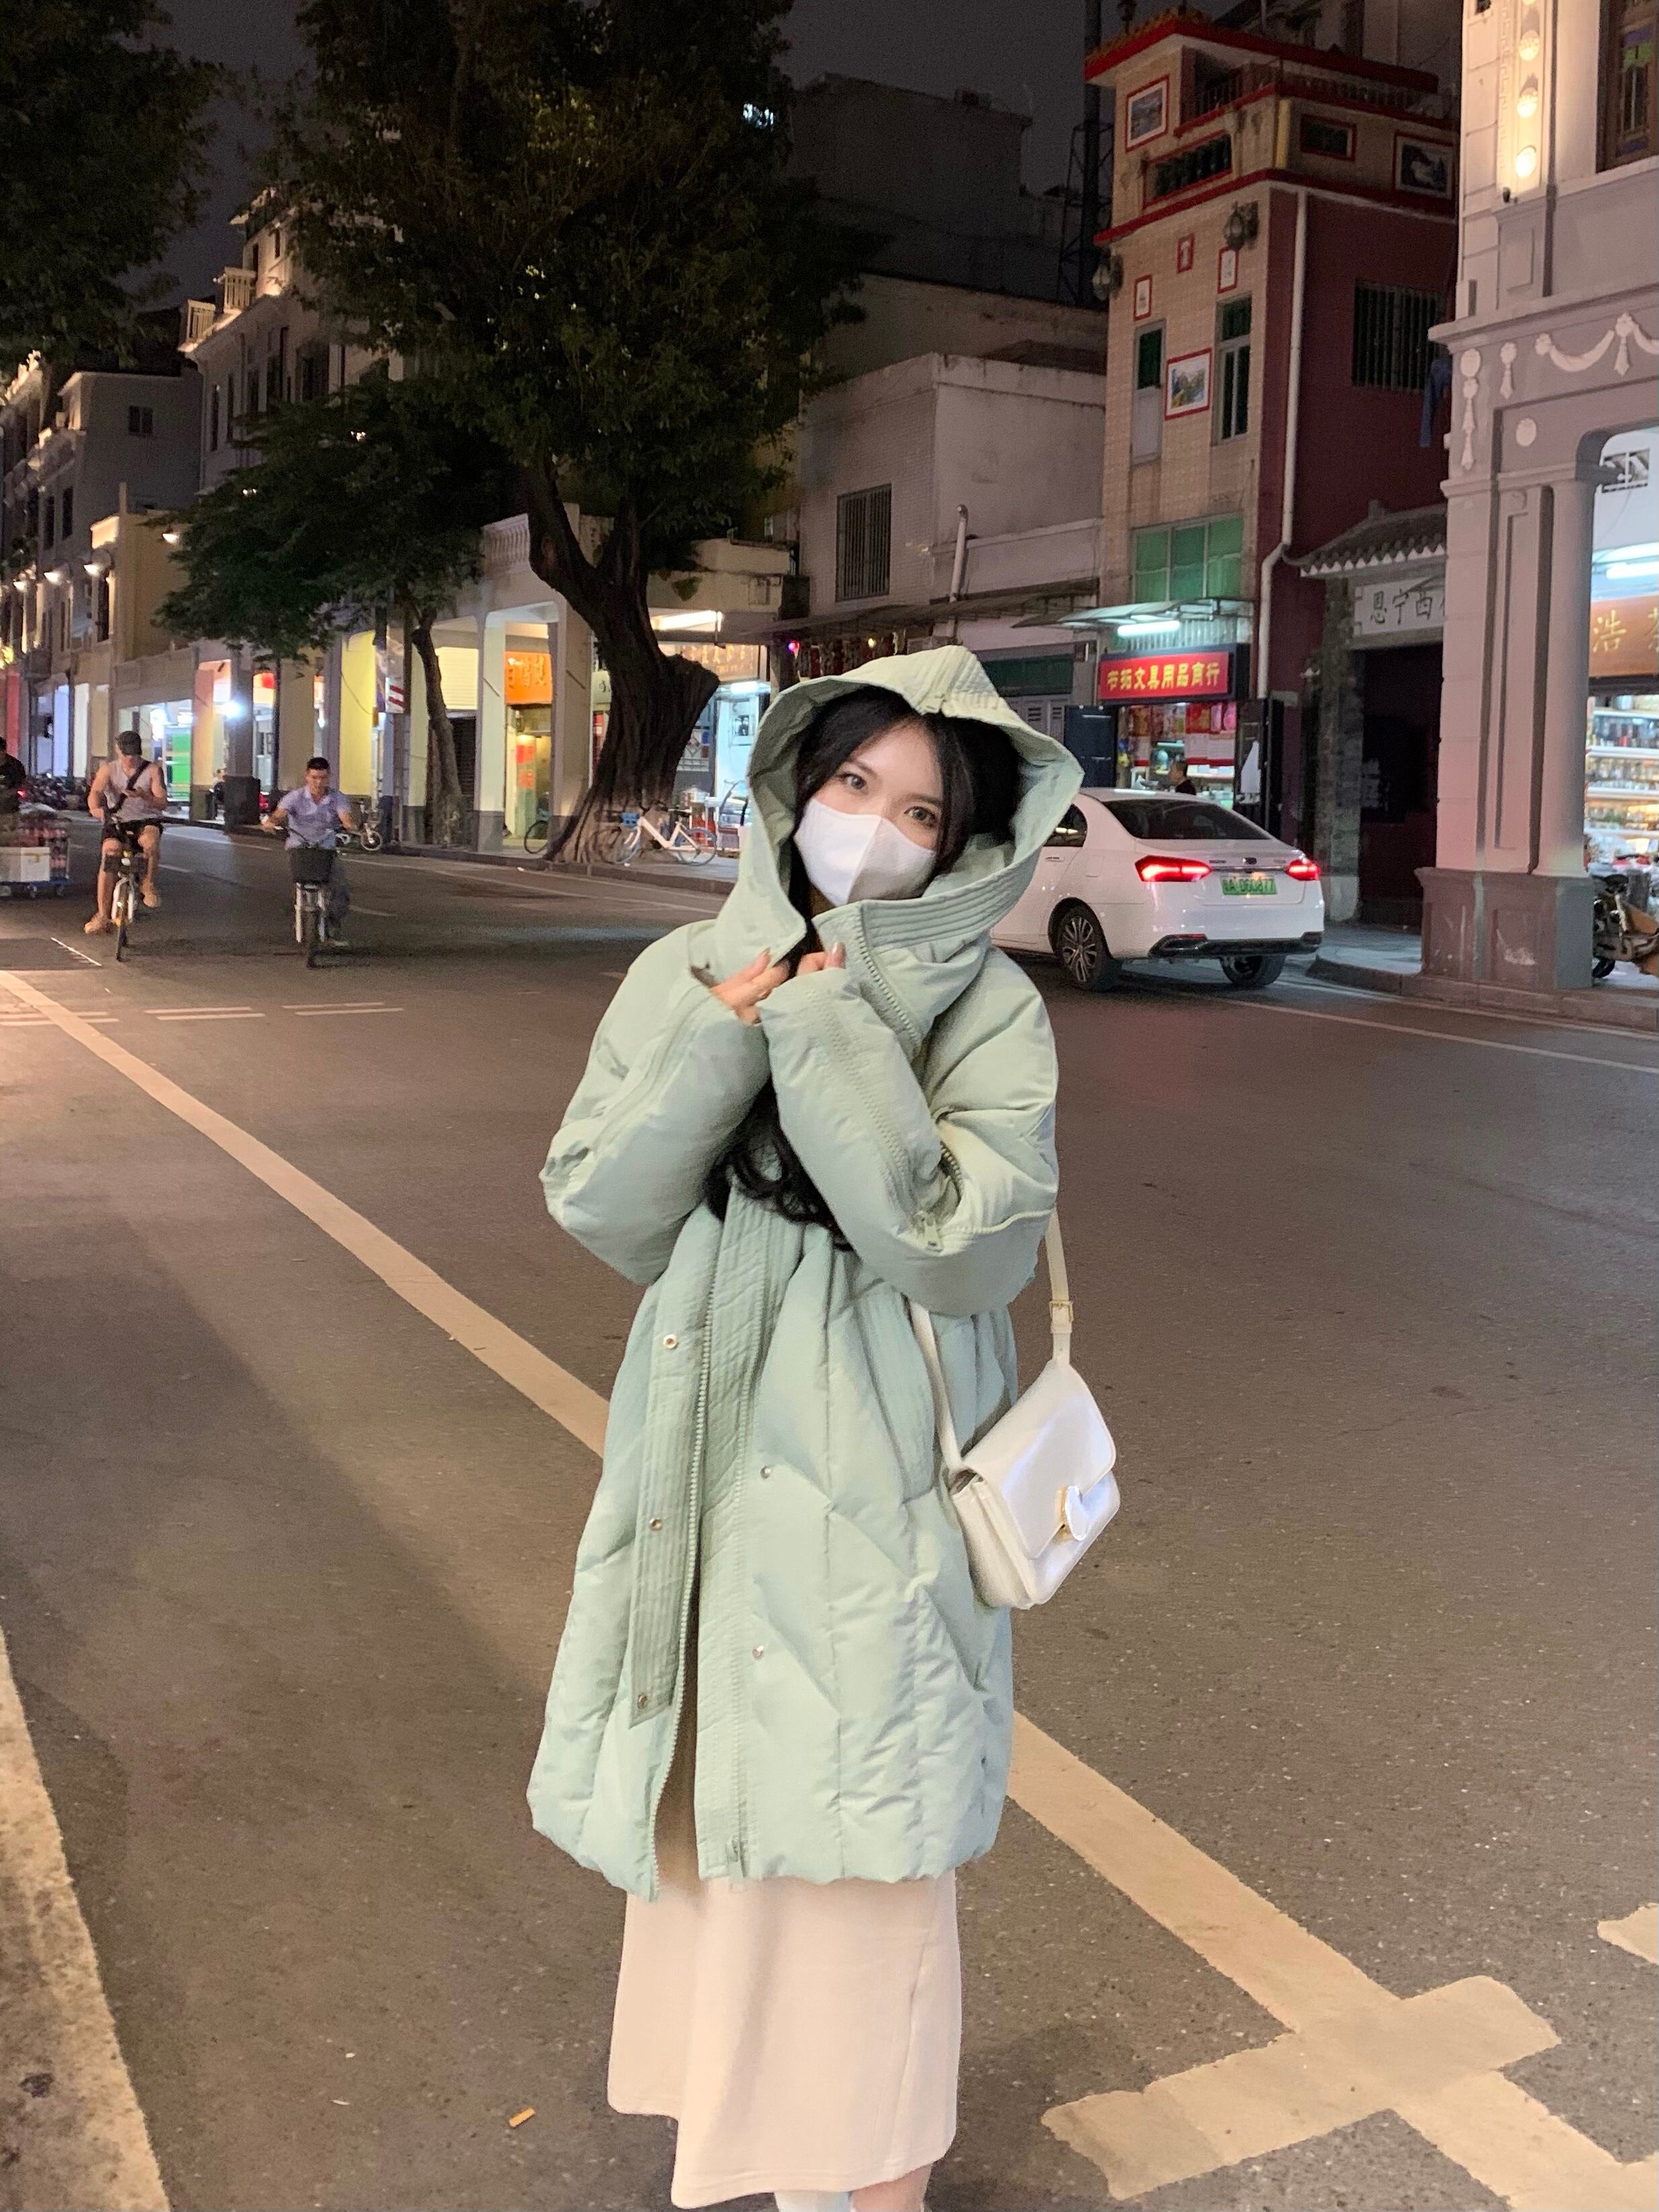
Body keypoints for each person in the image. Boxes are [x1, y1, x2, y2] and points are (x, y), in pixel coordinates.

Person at [531, 644, 1081, 2212]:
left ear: (964, 841)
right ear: (795, 786)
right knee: (725, 1833)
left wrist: (829, 1032)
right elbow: (601, 1204)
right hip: (703, 1474)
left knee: (864, 1873)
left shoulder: (989, 1008)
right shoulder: (685, 967)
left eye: (919, 809)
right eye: (851, 782)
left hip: (874, 1493)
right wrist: (725, 1031)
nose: (873, 827)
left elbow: (962, 1250)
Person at [85, 732, 167, 933]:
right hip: (117, 822)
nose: (131, 759)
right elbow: (95, 792)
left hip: (146, 821)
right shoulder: (108, 769)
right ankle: (102, 916)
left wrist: (145, 796)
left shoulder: (153, 770)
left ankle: (148, 884)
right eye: (127, 754)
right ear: (119, 751)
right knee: (110, 854)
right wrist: (95, 808)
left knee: (150, 842)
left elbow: (162, 803)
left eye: (134, 755)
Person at [263, 756, 356, 926]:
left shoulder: (337, 797)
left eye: (323, 778)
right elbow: (279, 814)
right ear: (306, 776)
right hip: (300, 848)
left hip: (326, 849)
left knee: (341, 887)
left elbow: (346, 818)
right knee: (299, 881)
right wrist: (271, 822)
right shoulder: (295, 797)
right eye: (314, 778)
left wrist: (351, 826)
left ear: (329, 777)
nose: (318, 783)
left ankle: (333, 923)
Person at [0, 737, 24, 814]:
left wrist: (9, 793)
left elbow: (22, 785)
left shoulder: (15, 766)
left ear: (3, 752)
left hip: (10, 807)